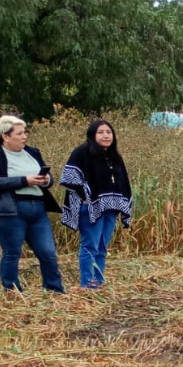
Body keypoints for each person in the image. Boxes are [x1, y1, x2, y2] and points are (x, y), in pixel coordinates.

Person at [0, 115, 65, 295]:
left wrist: (46, 180)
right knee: (12, 252)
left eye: (25, 132)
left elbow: (47, 178)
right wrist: (24, 180)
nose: (24, 136)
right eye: (19, 133)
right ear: (6, 136)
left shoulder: (32, 152)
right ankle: (12, 291)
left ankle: (54, 290)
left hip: (37, 209)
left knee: (48, 252)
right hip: (9, 211)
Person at [60, 120, 133, 290]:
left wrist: (123, 204)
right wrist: (84, 197)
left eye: (109, 132)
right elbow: (69, 177)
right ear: (93, 135)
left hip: (111, 209)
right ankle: (87, 284)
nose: (106, 135)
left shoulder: (115, 156)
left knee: (101, 248)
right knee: (90, 246)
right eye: (101, 132)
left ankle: (98, 282)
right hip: (91, 208)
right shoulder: (82, 153)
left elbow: (123, 182)